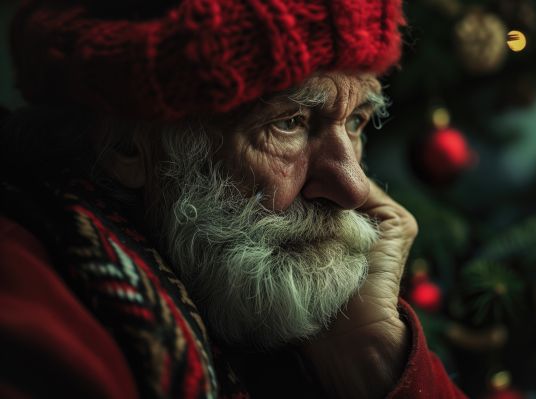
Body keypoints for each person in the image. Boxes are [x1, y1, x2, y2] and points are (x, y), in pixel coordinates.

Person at [0, 1, 467, 398]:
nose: (351, 187)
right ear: (127, 146)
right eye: (290, 122)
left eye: (357, 121)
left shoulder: (244, 293)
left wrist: (371, 353)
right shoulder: (33, 317)